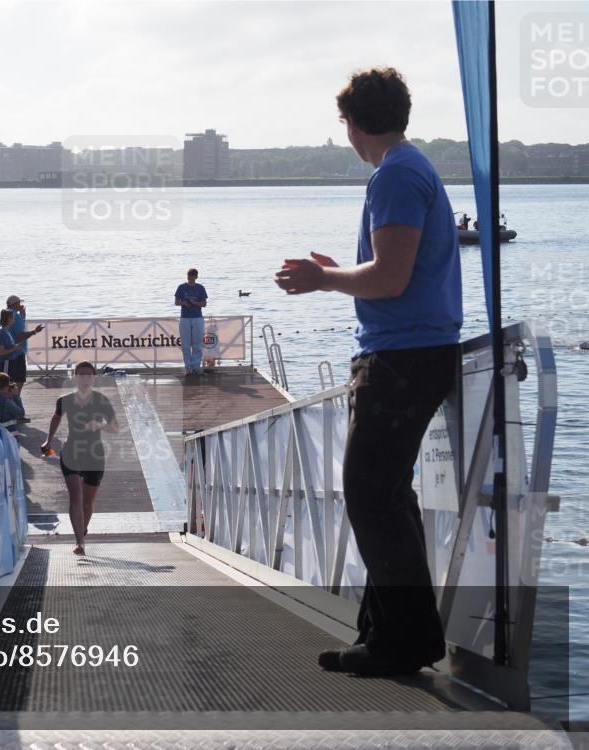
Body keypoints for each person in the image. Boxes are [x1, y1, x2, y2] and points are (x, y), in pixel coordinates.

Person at [273, 67, 462, 677]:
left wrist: (324, 279)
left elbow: (391, 278)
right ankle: (386, 634)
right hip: (412, 352)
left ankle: (406, 639)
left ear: (352, 125)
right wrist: (339, 270)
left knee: (370, 493)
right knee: (384, 495)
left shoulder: (396, 176)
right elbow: (389, 270)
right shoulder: (408, 170)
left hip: (402, 358)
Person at [40, 361, 119, 556]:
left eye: (88, 375)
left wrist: (99, 425)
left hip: (94, 453)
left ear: (94, 378)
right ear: (75, 377)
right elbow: (56, 417)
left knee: (87, 502)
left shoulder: (101, 400)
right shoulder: (65, 399)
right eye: (81, 374)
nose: (84, 378)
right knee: (76, 495)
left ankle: (82, 529)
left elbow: (115, 427)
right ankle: (79, 542)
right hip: (71, 451)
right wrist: (48, 440)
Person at [5, 294, 44, 421]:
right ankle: (15, 410)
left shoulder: (9, 315)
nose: (21, 305)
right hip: (17, 353)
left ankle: (12, 409)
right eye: (19, 303)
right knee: (18, 382)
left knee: (13, 381)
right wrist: (34, 332)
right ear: (15, 304)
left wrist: (23, 316)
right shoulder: (15, 316)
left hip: (11, 354)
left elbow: (15, 329)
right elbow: (20, 335)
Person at [174, 268, 208, 375]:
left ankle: (196, 366)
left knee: (197, 344)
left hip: (197, 317)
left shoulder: (200, 288)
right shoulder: (181, 287)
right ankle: (188, 367)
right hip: (185, 317)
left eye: (193, 276)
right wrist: (184, 303)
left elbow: (204, 304)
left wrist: (195, 303)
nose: (191, 277)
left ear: (196, 277)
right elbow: (176, 302)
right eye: (189, 275)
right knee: (185, 344)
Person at [0, 309, 24, 384]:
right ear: (9, 319)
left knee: (10, 384)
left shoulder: (7, 331)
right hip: (5, 363)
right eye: (13, 317)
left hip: (11, 363)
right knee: (5, 385)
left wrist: (16, 346)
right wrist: (15, 348)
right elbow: (0, 352)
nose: (14, 319)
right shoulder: (2, 333)